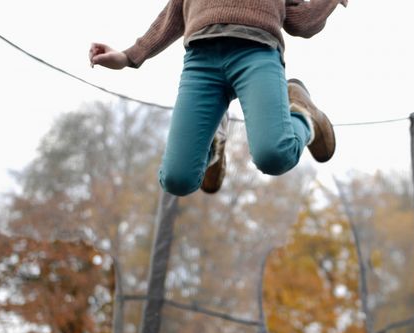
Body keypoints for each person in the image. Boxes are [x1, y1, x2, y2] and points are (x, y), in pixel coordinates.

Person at [89, 0, 347, 196]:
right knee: (177, 179)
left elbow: (300, 21)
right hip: (201, 63)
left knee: (274, 155)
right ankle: (213, 140)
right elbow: (174, 14)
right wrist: (128, 56)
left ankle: (304, 116)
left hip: (257, 52)